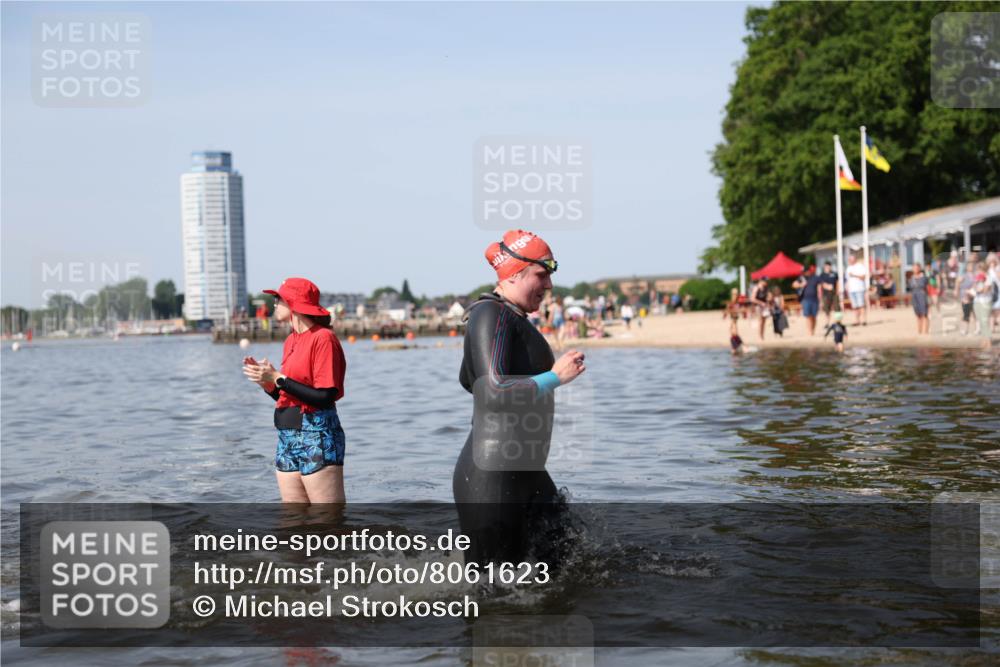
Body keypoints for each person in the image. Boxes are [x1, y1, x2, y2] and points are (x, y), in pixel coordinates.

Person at [455, 229, 586, 566]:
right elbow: (491, 391)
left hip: (526, 472)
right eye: (541, 275)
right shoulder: (490, 315)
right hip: (493, 477)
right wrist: (554, 377)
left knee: (568, 565)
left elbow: (467, 380)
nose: (549, 286)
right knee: (494, 596)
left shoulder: (508, 317)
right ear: (514, 273)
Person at [243, 277, 347, 503]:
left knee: (327, 522)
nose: (274, 303)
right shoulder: (290, 340)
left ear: (294, 303)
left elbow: (325, 396)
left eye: (278, 298)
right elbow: (289, 394)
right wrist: (268, 383)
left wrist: (278, 378)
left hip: (317, 436)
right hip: (286, 436)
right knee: (293, 522)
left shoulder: (323, 338)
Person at [792, 268, 822, 336]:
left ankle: (813, 330)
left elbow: (819, 288)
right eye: (804, 272)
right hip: (805, 299)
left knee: (814, 316)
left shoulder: (815, 277)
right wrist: (801, 285)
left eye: (807, 271)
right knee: (808, 316)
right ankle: (809, 332)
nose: (806, 273)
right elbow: (793, 285)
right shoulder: (801, 278)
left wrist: (820, 299)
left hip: (815, 299)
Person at [973, 262, 994, 340]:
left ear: (983, 269)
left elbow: (985, 290)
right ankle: (984, 338)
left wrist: (978, 288)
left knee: (984, 320)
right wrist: (976, 283)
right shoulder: (977, 277)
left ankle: (988, 338)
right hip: (977, 300)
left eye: (979, 269)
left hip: (986, 301)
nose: (978, 271)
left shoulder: (989, 277)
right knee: (979, 320)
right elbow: (975, 287)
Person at [845, 255, 868, 325]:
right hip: (852, 290)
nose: (850, 261)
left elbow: (863, 277)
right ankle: (857, 321)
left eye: (851, 259)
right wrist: (847, 288)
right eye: (849, 260)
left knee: (861, 305)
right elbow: (847, 279)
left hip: (859, 289)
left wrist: (854, 275)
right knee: (855, 306)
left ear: (855, 259)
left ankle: (864, 320)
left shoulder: (860, 266)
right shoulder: (848, 268)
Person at [957, 260, 978, 335]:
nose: (971, 267)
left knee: (975, 314)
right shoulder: (963, 275)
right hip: (965, 297)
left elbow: (977, 285)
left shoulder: (975, 275)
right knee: (966, 314)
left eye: (972, 266)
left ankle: (977, 329)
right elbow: (958, 285)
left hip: (974, 297)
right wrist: (959, 293)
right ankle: (964, 329)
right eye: (969, 266)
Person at [909, 263, 930, 334]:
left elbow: (929, 286)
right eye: (914, 268)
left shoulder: (924, 277)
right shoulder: (912, 278)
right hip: (915, 297)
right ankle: (919, 332)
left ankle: (926, 332)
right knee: (918, 315)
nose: (915, 269)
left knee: (925, 314)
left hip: (922, 296)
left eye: (917, 268)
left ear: (919, 268)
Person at [818, 261, 839, 326]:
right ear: (824, 267)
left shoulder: (834, 274)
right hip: (826, 294)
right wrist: (820, 294)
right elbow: (820, 284)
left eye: (829, 266)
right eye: (826, 266)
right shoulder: (822, 275)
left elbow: (837, 283)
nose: (828, 267)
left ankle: (838, 322)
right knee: (827, 309)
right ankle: (827, 322)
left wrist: (838, 291)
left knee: (837, 308)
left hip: (834, 293)